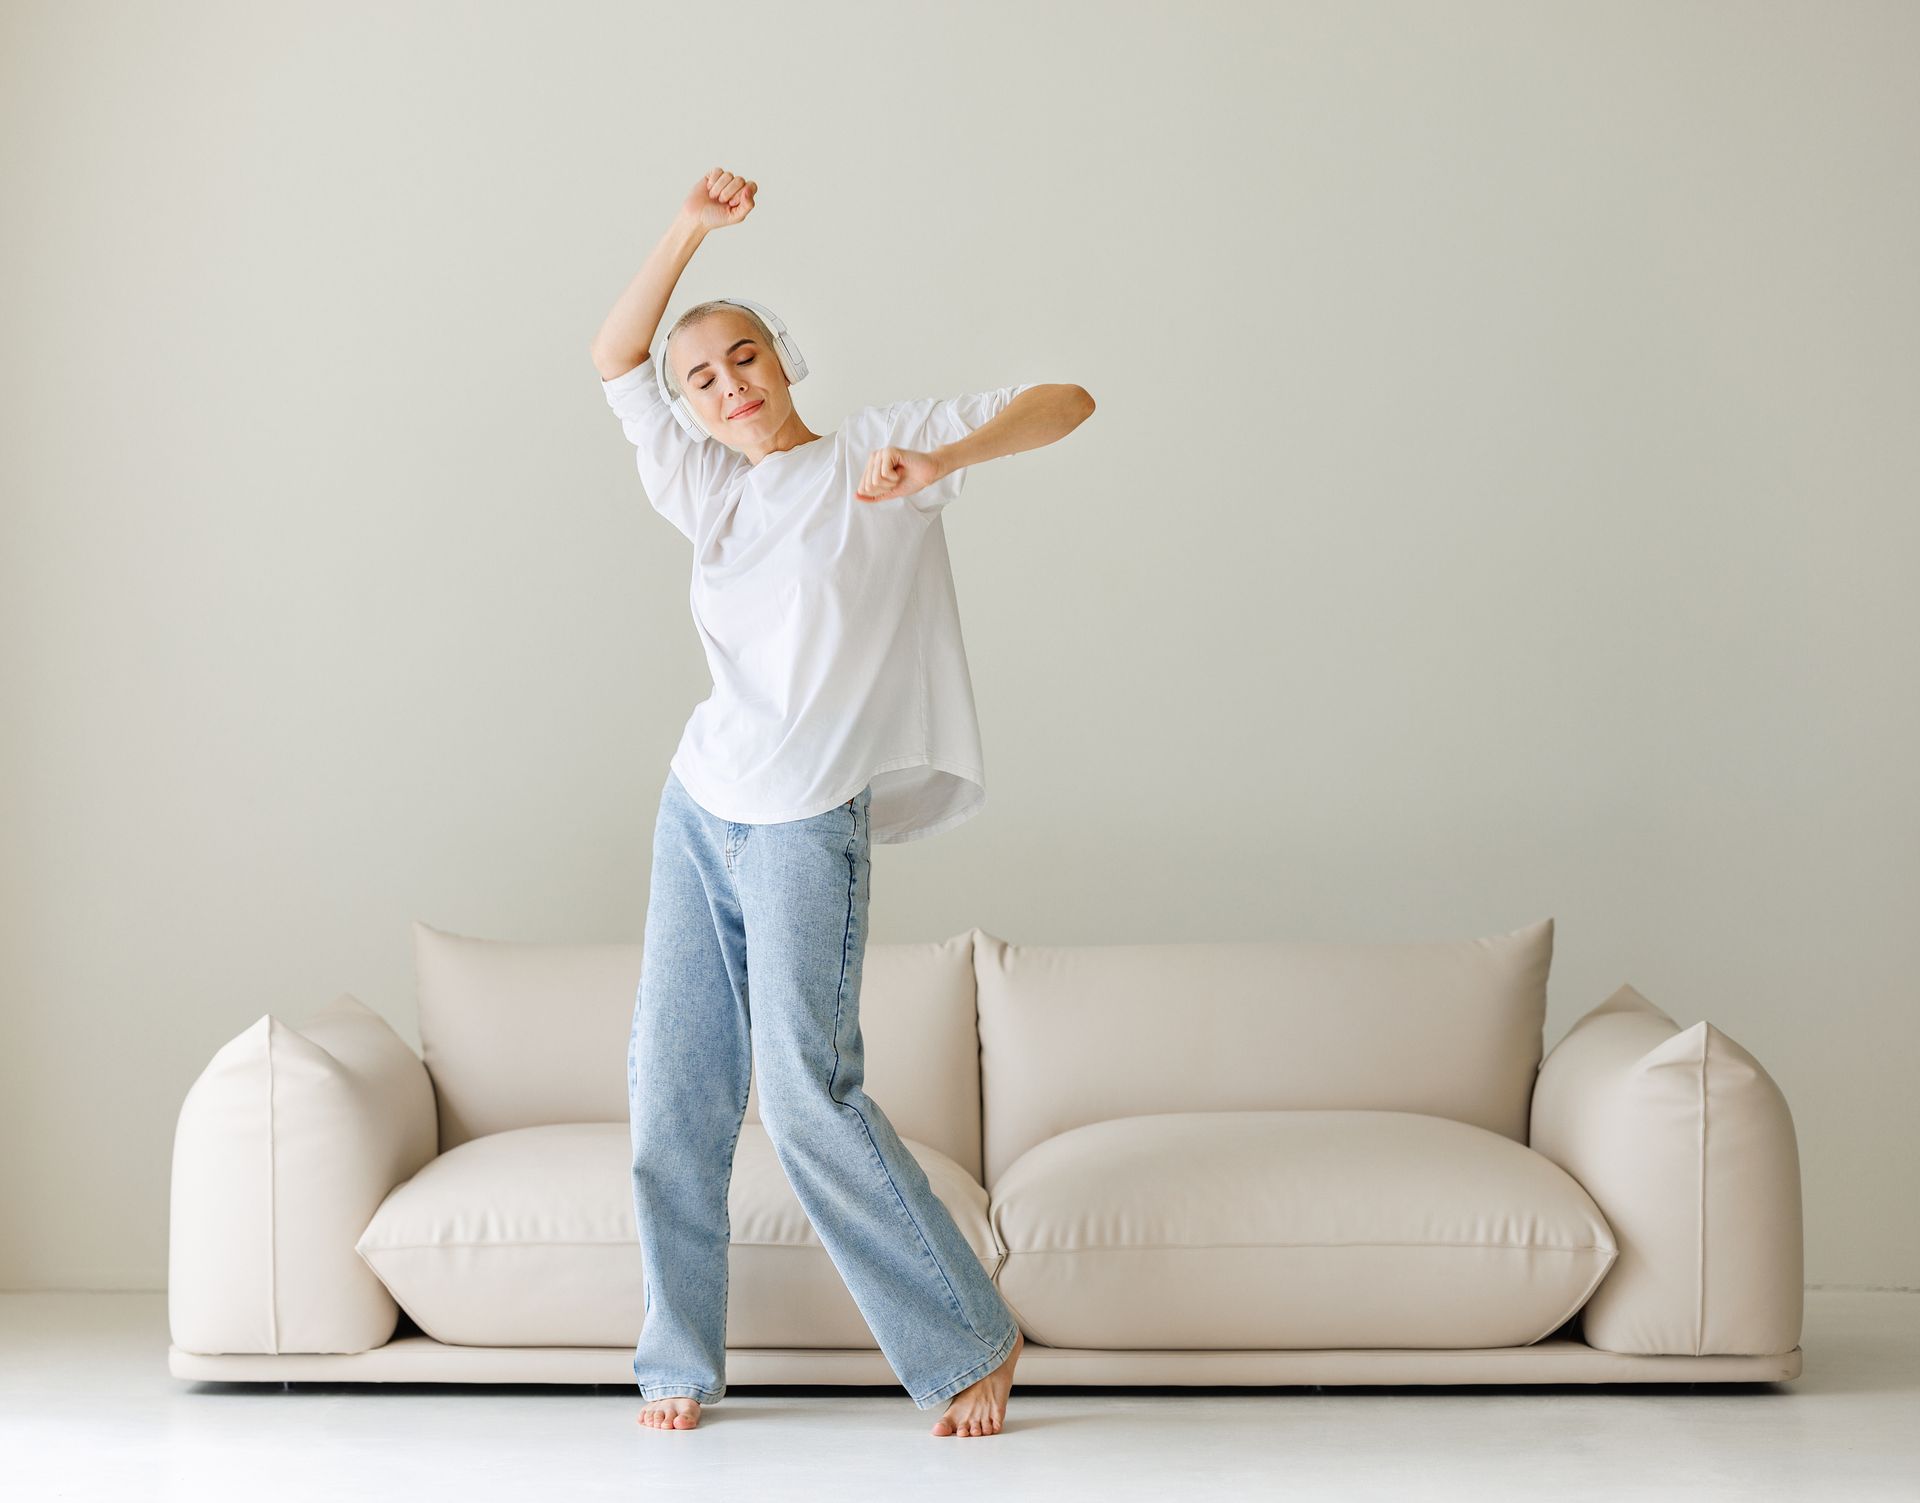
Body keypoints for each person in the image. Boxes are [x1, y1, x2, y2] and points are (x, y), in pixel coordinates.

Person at [591, 168, 1095, 1438]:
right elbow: (614, 353)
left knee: (808, 1092)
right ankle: (677, 1365)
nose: (726, 385)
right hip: (701, 805)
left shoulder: (882, 452)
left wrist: (948, 454)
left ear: (782, 359)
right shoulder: (704, 491)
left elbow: (1067, 400)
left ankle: (971, 1337)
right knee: (674, 1090)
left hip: (808, 816)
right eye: (700, 378)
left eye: (743, 357)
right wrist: (688, 233)